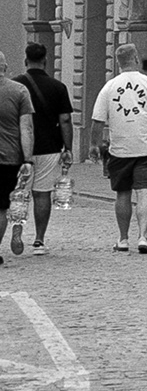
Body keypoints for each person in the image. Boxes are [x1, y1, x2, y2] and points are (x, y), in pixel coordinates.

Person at [90, 43, 147, 254]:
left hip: (120, 149)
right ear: (136, 58)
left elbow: (97, 121)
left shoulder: (109, 87)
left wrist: (94, 145)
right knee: (144, 191)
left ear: (118, 63)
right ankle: (143, 236)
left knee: (123, 193)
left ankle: (123, 238)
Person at [18, 43, 71, 255]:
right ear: (45, 61)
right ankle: (39, 240)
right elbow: (65, 120)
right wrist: (68, 147)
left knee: (18, 193)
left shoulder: (16, 86)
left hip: (21, 148)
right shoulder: (58, 87)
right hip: (49, 147)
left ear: (25, 60)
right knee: (42, 195)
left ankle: (16, 229)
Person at [0, 52, 35, 264]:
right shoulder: (19, 91)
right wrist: (28, 159)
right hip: (8, 158)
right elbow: (26, 128)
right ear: (5, 67)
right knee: (1, 206)